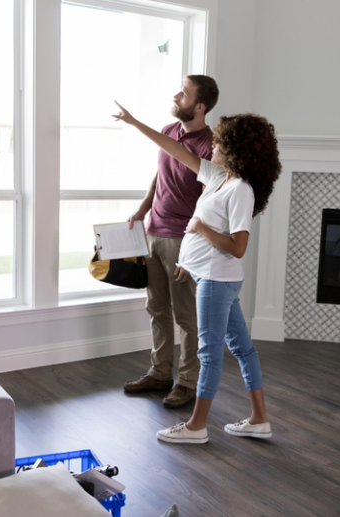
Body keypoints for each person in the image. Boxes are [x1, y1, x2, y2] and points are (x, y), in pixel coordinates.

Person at [113, 102, 282, 444]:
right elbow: (173, 148)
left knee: (209, 352)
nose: (213, 147)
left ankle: (196, 427)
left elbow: (237, 246)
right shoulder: (218, 177)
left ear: (234, 149)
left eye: (219, 142)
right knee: (242, 348)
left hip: (218, 279)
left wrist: (200, 228)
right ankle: (259, 419)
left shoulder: (241, 190)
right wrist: (134, 123)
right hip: (210, 275)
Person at [122, 76, 220, 409]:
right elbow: (159, 175)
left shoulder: (211, 145)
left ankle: (188, 382)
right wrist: (142, 208)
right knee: (156, 309)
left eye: (184, 92)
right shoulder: (168, 130)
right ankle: (159, 372)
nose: (176, 95)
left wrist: (192, 249)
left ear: (200, 106)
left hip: (183, 241)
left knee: (186, 316)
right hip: (154, 232)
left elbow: (209, 203)